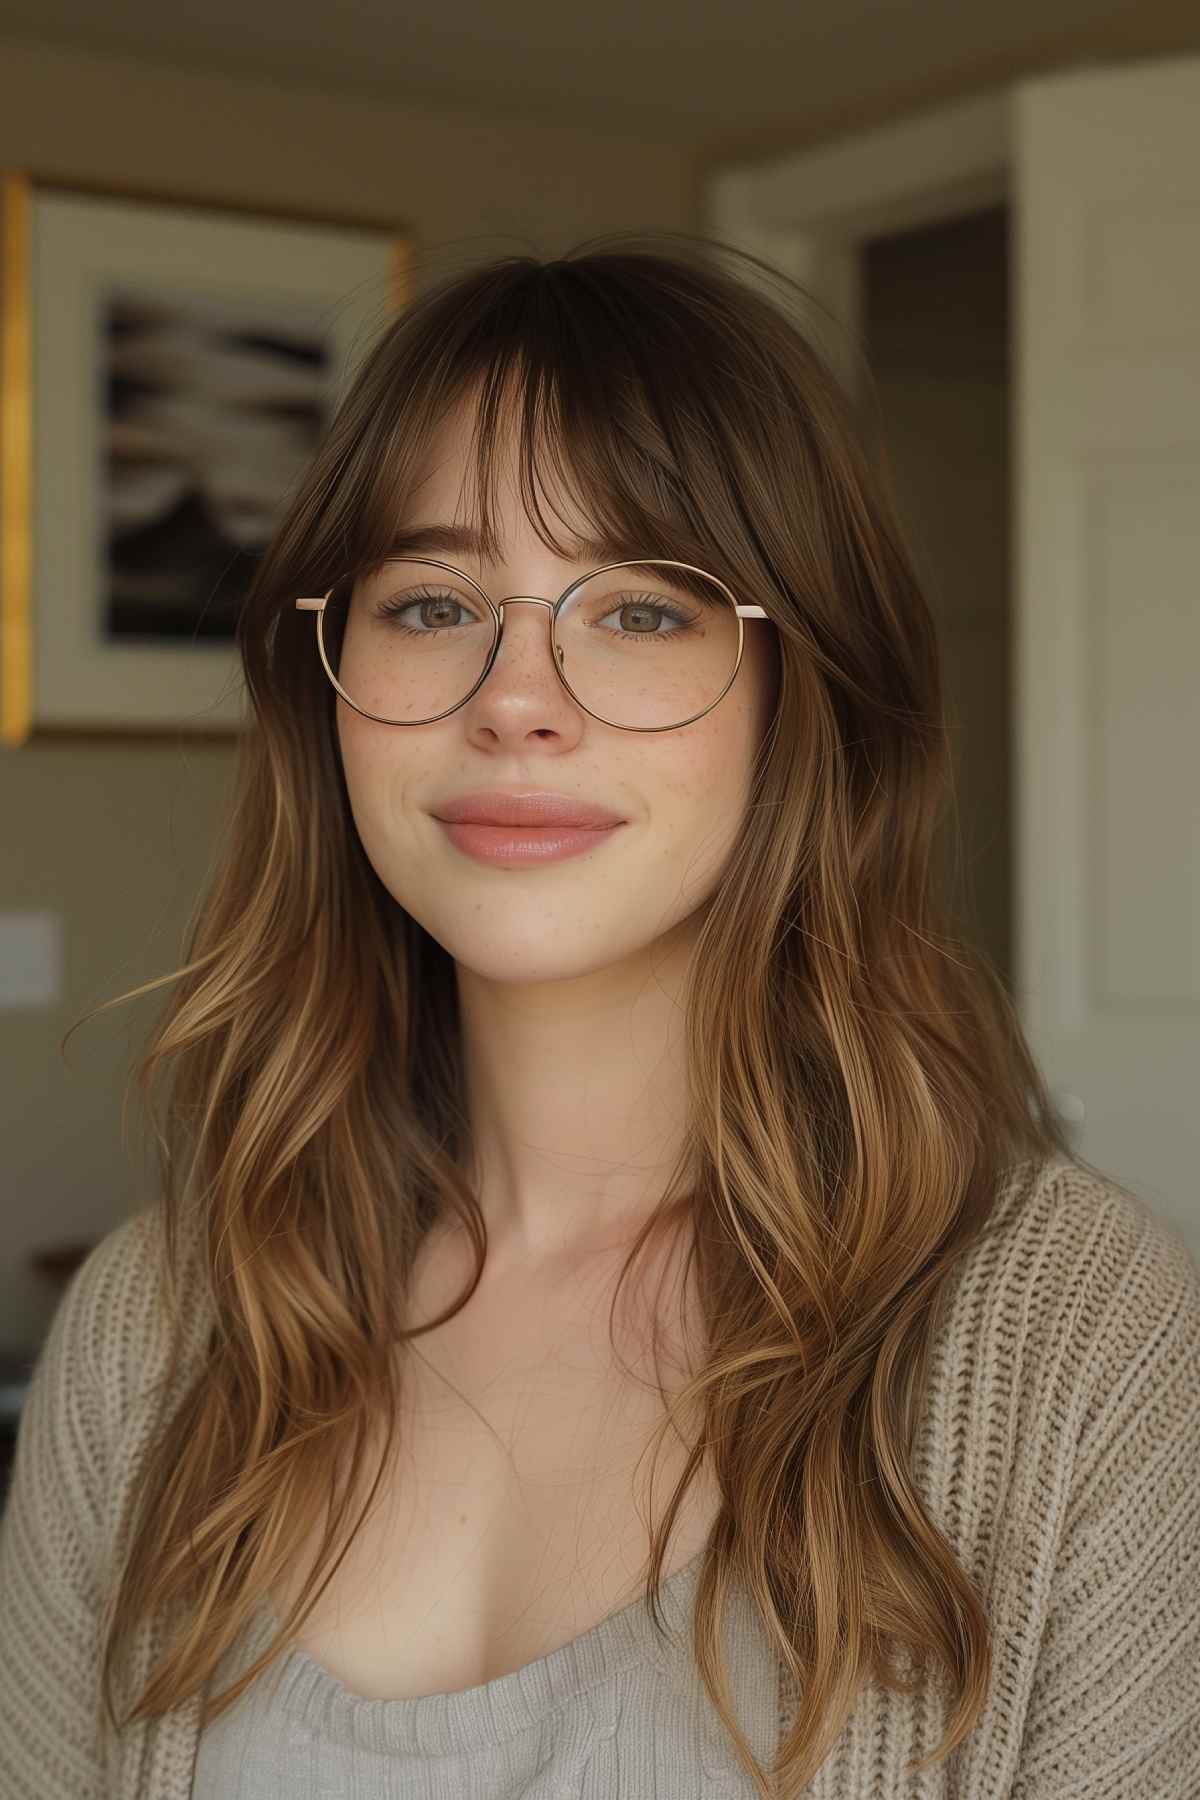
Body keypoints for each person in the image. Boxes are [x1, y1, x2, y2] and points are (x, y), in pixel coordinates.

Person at [2, 233, 1198, 1800]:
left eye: (640, 610)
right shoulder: (153, 1328)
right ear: (330, 689)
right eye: (431, 604)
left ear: (804, 704)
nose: (517, 694)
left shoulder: (1070, 1338)